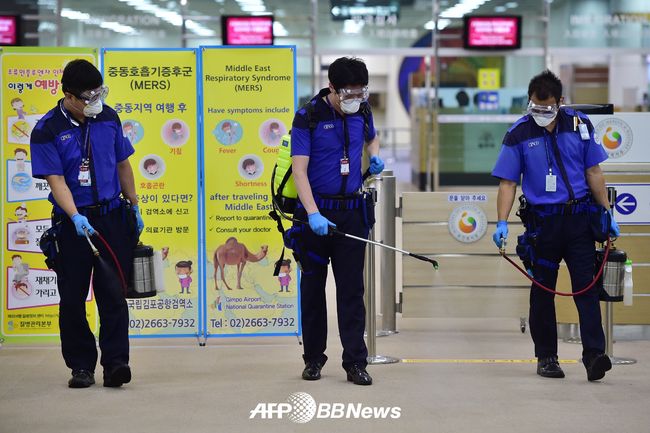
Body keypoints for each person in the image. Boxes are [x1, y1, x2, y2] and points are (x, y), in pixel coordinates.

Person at [491, 70, 619, 381]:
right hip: (543, 226)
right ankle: (547, 357)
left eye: (546, 107)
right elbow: (508, 183)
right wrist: (501, 222)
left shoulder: (579, 125)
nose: (540, 112)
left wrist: (607, 213)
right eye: (534, 106)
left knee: (586, 289)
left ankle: (594, 356)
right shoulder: (519, 133)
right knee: (543, 291)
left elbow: (594, 172)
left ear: (560, 102)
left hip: (579, 223)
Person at [30, 59, 144, 389]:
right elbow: (56, 180)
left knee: (113, 294)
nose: (96, 101)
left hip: (112, 216)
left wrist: (134, 204)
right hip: (73, 223)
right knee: (73, 297)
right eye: (88, 96)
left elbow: (123, 164)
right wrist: (75, 216)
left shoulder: (108, 117)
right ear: (69, 96)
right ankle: (81, 366)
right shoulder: (47, 129)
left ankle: (116, 364)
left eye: (99, 93)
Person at [290, 56, 384, 386]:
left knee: (351, 291)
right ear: (332, 87)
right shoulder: (308, 116)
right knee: (313, 290)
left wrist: (374, 156)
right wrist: (313, 213)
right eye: (349, 93)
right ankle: (314, 359)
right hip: (314, 216)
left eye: (361, 92)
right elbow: (299, 171)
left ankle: (355, 362)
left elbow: (372, 137)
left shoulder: (363, 111)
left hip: (351, 214)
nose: (355, 99)